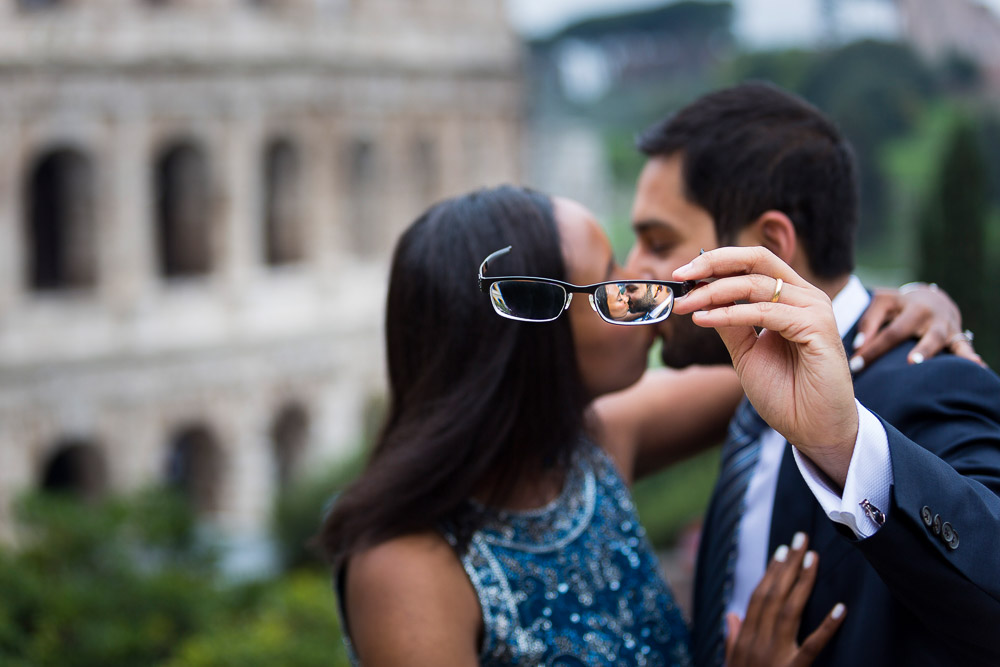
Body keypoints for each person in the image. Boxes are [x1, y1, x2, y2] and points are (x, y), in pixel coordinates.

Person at [319, 185, 856, 666]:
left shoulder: (590, 443)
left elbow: (789, 378)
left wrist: (897, 307)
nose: (644, 292)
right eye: (611, 280)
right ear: (528, 336)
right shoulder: (404, 570)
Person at [624, 82, 1000, 666]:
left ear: (770, 243)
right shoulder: (746, 383)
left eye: (659, 242)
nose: (632, 271)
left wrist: (845, 445)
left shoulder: (933, 375)